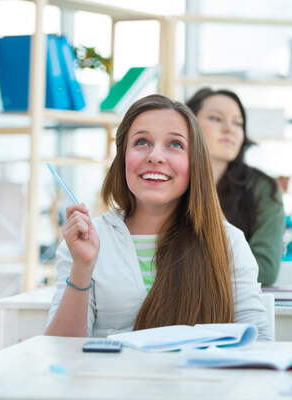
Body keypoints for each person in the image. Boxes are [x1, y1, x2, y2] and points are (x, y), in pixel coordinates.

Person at [45, 94, 270, 340]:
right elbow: (61, 349)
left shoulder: (228, 242)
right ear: (122, 158)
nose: (155, 156)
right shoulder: (85, 241)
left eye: (175, 145)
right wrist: (82, 267)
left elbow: (259, 342)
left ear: (195, 162)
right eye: (142, 142)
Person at [186, 88, 285, 287]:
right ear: (188, 125)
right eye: (216, 118)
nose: (229, 129)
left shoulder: (264, 189)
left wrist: (188, 271)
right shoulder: (169, 181)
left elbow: (265, 270)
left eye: (237, 123)